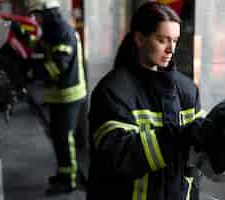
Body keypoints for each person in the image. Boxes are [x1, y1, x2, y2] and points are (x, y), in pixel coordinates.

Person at [87, 2, 205, 200]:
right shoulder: (113, 91)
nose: (171, 49)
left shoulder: (187, 90)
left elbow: (195, 162)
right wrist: (178, 138)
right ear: (140, 39)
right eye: (162, 40)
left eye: (175, 41)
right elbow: (120, 156)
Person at [26, 0, 87, 195]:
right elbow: (45, 53)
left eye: (39, 15)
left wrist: (32, 73)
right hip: (59, 95)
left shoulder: (62, 31)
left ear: (50, 13)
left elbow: (58, 66)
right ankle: (62, 174)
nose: (37, 19)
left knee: (64, 138)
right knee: (58, 137)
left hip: (69, 95)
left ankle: (68, 180)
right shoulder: (52, 31)